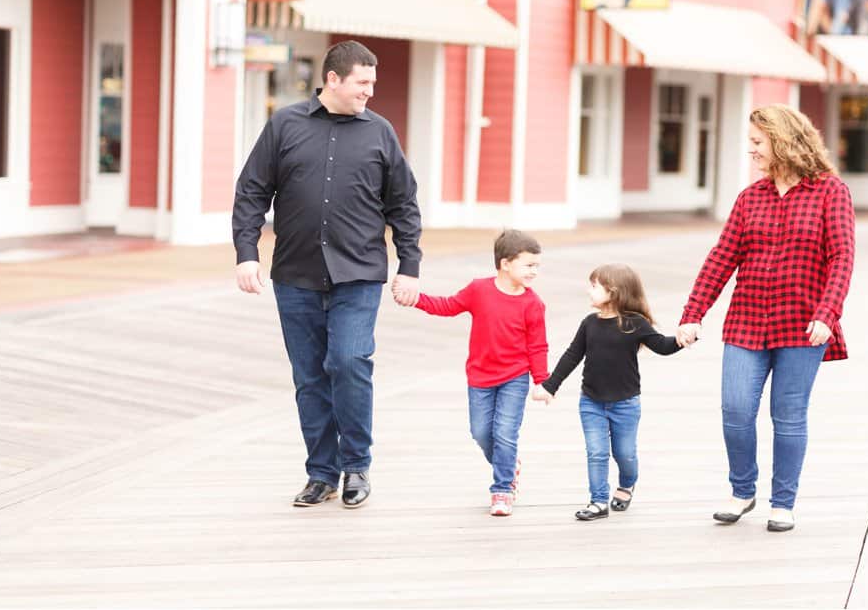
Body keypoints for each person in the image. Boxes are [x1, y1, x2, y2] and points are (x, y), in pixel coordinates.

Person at [232, 40, 422, 510]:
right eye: (363, 83)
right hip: (294, 275)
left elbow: (404, 204)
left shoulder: (380, 133)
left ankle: (356, 465)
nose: (369, 93)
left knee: (349, 362)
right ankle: (321, 474)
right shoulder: (284, 125)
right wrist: (246, 252)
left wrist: (410, 266)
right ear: (333, 80)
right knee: (309, 377)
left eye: (372, 84)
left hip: (357, 275)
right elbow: (252, 191)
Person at [676, 104, 855, 533]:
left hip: (804, 325)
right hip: (746, 322)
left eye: (757, 142)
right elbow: (722, 258)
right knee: (735, 409)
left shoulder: (830, 191)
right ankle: (742, 490)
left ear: (783, 140)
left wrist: (827, 314)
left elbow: (842, 258)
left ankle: (783, 502)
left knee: (788, 415)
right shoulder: (749, 198)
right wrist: (692, 314)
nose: (751, 150)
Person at [397, 230, 548, 517]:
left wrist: (541, 381)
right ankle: (509, 463)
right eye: (529, 265)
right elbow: (448, 306)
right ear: (505, 264)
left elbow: (537, 346)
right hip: (480, 376)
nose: (534, 272)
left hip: (515, 377)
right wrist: (417, 299)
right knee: (480, 432)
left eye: (536, 266)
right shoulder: (479, 290)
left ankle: (502, 489)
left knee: (505, 433)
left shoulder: (533, 304)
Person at [533, 264, 681, 521]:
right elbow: (572, 356)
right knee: (597, 452)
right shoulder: (589, 323)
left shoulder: (635, 324)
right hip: (591, 401)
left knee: (624, 453)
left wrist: (683, 338)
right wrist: (549, 385)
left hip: (625, 404)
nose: (588, 291)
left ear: (612, 291)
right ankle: (598, 501)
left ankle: (627, 484)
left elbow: (663, 346)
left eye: (594, 286)